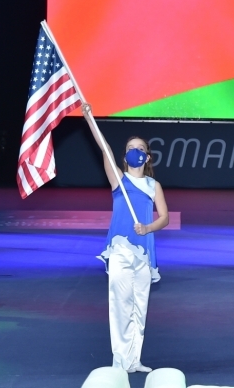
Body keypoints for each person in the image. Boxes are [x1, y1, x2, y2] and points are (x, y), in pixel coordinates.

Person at [82, 103, 170, 374]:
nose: (136, 151)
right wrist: (88, 118)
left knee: (139, 307)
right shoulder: (118, 181)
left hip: (144, 252)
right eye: (132, 148)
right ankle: (119, 361)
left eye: (141, 148)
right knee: (120, 305)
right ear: (125, 157)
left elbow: (164, 217)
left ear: (148, 157)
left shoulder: (153, 185)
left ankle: (134, 360)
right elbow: (104, 149)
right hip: (120, 249)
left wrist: (148, 228)